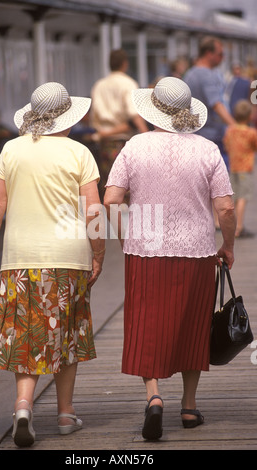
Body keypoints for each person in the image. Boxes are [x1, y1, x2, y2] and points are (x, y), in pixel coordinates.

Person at [104, 77, 236, 441]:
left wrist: (124, 235)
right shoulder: (208, 149)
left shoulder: (135, 145)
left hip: (145, 250)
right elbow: (225, 206)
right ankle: (189, 407)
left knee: (147, 324)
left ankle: (154, 397)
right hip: (197, 251)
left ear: (153, 108)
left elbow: (111, 199)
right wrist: (229, 246)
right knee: (193, 326)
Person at [0, 82, 105, 447]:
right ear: (67, 117)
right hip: (69, 259)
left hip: (20, 260)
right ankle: (65, 414)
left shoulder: (11, 149)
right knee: (67, 332)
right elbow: (93, 210)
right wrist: (98, 253)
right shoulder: (79, 153)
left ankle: (23, 406)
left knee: (26, 335)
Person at [91, 49, 148, 199]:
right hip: (123, 142)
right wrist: (146, 136)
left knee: (109, 187)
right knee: (127, 190)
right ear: (125, 64)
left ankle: (113, 222)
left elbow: (94, 116)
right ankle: (128, 222)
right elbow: (133, 114)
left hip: (104, 142)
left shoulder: (99, 85)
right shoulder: (128, 83)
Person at [184, 36, 235, 170]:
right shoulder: (206, 75)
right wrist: (235, 126)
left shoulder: (190, 74)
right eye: (220, 54)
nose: (222, 58)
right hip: (212, 136)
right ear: (208, 53)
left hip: (196, 134)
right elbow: (217, 104)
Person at [223, 99, 257, 238]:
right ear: (250, 116)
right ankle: (239, 227)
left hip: (233, 167)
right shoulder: (251, 132)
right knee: (243, 198)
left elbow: (226, 144)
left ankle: (233, 226)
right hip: (245, 168)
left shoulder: (230, 130)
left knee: (235, 198)